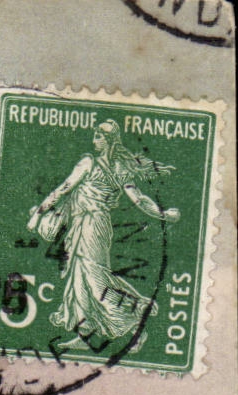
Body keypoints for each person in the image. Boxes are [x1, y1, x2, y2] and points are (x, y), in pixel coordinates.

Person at [29, 118, 180, 354]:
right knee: (80, 279)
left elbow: (63, 189)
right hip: (88, 225)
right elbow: (138, 200)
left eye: (98, 136)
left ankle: (137, 313)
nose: (94, 140)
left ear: (108, 140)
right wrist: (162, 214)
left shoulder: (90, 163)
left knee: (93, 279)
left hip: (91, 226)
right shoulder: (119, 168)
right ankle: (86, 333)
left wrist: (38, 214)